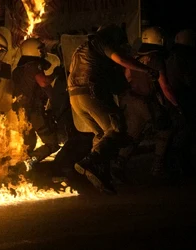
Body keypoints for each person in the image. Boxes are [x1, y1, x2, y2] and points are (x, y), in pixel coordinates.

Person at [68, 24, 159, 194]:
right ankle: (91, 161)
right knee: (117, 128)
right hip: (91, 93)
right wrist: (146, 69)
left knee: (103, 135)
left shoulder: (81, 49)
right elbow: (120, 59)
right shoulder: (100, 42)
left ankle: (100, 175)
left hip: (75, 97)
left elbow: (112, 79)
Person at [113, 26, 178, 181]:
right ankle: (157, 167)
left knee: (133, 135)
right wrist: (177, 106)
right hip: (145, 101)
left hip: (131, 99)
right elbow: (165, 86)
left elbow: (127, 77)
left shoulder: (135, 58)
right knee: (165, 129)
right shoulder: (156, 58)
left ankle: (117, 168)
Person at [11, 37, 60, 170]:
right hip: (34, 111)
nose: (43, 52)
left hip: (22, 113)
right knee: (52, 144)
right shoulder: (33, 65)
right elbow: (43, 82)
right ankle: (28, 163)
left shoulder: (18, 70)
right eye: (40, 49)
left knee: (28, 145)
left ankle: (22, 171)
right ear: (33, 50)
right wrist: (55, 74)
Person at [165, 29, 196, 178]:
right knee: (185, 131)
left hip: (172, 96)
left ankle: (174, 164)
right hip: (182, 96)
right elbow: (189, 79)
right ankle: (180, 165)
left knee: (178, 131)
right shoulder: (185, 57)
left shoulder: (171, 55)